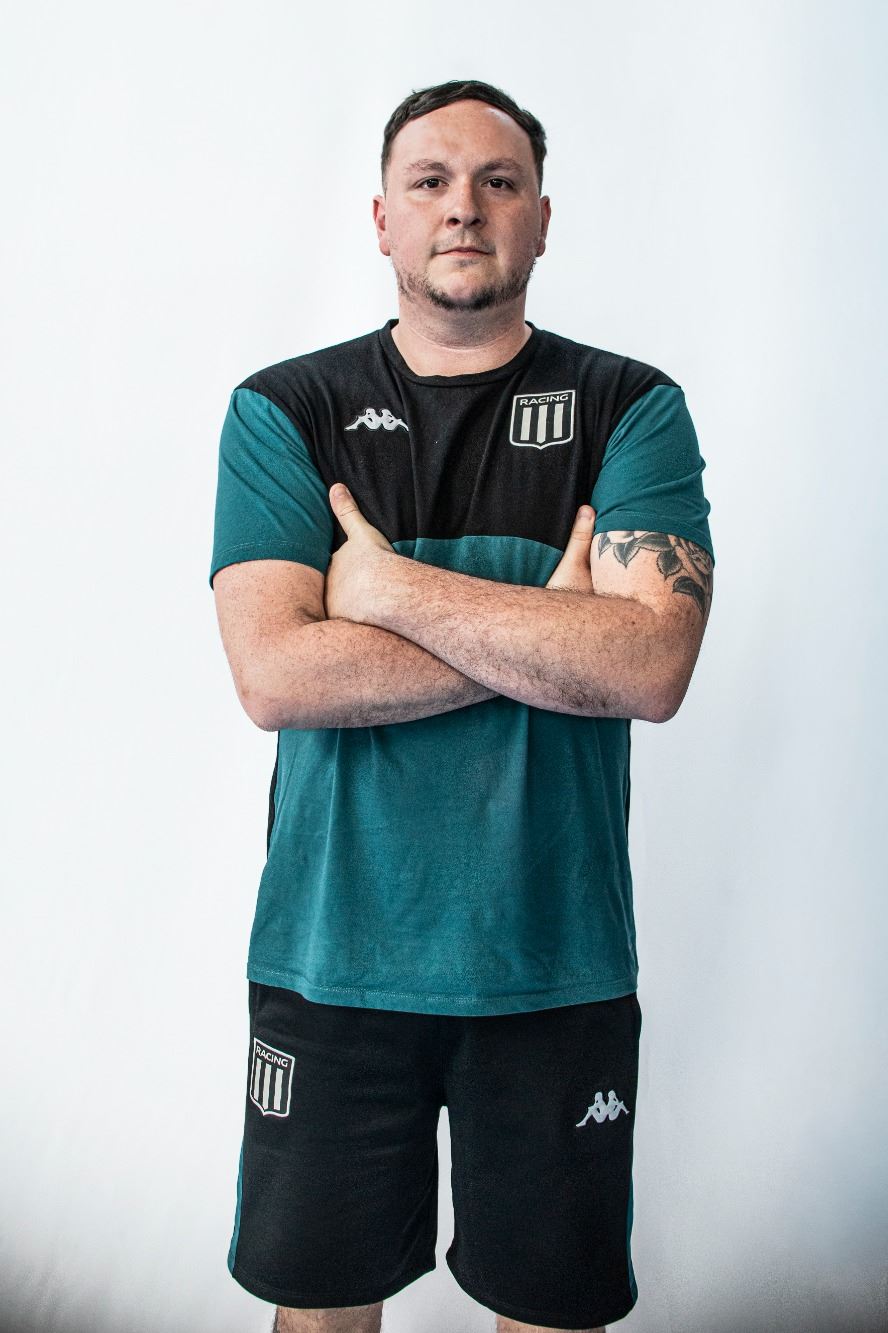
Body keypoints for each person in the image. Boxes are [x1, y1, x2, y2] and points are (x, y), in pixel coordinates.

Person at [209, 78, 714, 1333]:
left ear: (543, 217)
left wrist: (385, 592)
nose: (464, 208)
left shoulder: (630, 407)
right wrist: (553, 628)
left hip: (555, 962)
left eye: (499, 182)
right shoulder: (286, 411)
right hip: (331, 960)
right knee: (320, 1313)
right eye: (429, 181)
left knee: (549, 1312)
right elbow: (276, 676)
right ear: (382, 217)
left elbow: (652, 668)